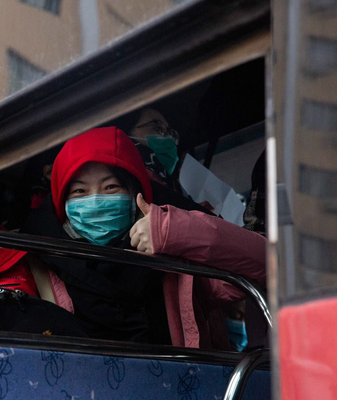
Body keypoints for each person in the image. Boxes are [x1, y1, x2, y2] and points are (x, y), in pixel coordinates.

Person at [24, 126, 266, 349]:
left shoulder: (177, 258)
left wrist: (173, 231)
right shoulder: (38, 262)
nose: (96, 200)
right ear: (62, 203)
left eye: (111, 187)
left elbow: (267, 263)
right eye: (79, 191)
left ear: (135, 192)